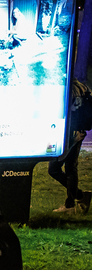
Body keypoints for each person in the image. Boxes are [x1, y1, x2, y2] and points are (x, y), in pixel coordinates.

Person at [49, 79, 91, 213]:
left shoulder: (68, 87)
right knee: (68, 167)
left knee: (58, 168)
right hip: (77, 131)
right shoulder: (82, 87)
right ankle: (79, 196)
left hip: (68, 131)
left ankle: (71, 204)